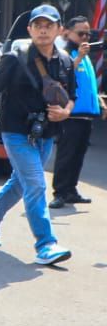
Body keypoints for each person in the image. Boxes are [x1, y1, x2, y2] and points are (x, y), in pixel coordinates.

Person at [0, 5, 76, 264]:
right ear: (30, 29)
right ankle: (46, 244)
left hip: (46, 134)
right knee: (36, 184)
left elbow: (71, 98)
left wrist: (64, 112)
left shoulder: (65, 61)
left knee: (21, 183)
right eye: (38, 25)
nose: (43, 30)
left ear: (59, 30)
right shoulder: (14, 58)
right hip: (16, 132)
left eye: (49, 25)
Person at [50, 15, 102, 208]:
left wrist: (99, 102)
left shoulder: (85, 56)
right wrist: (79, 56)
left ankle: (71, 190)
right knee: (66, 154)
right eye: (81, 33)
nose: (85, 37)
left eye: (88, 34)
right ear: (66, 33)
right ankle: (60, 192)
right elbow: (63, 74)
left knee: (78, 155)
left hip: (86, 114)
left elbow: (87, 85)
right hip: (70, 114)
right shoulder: (64, 53)